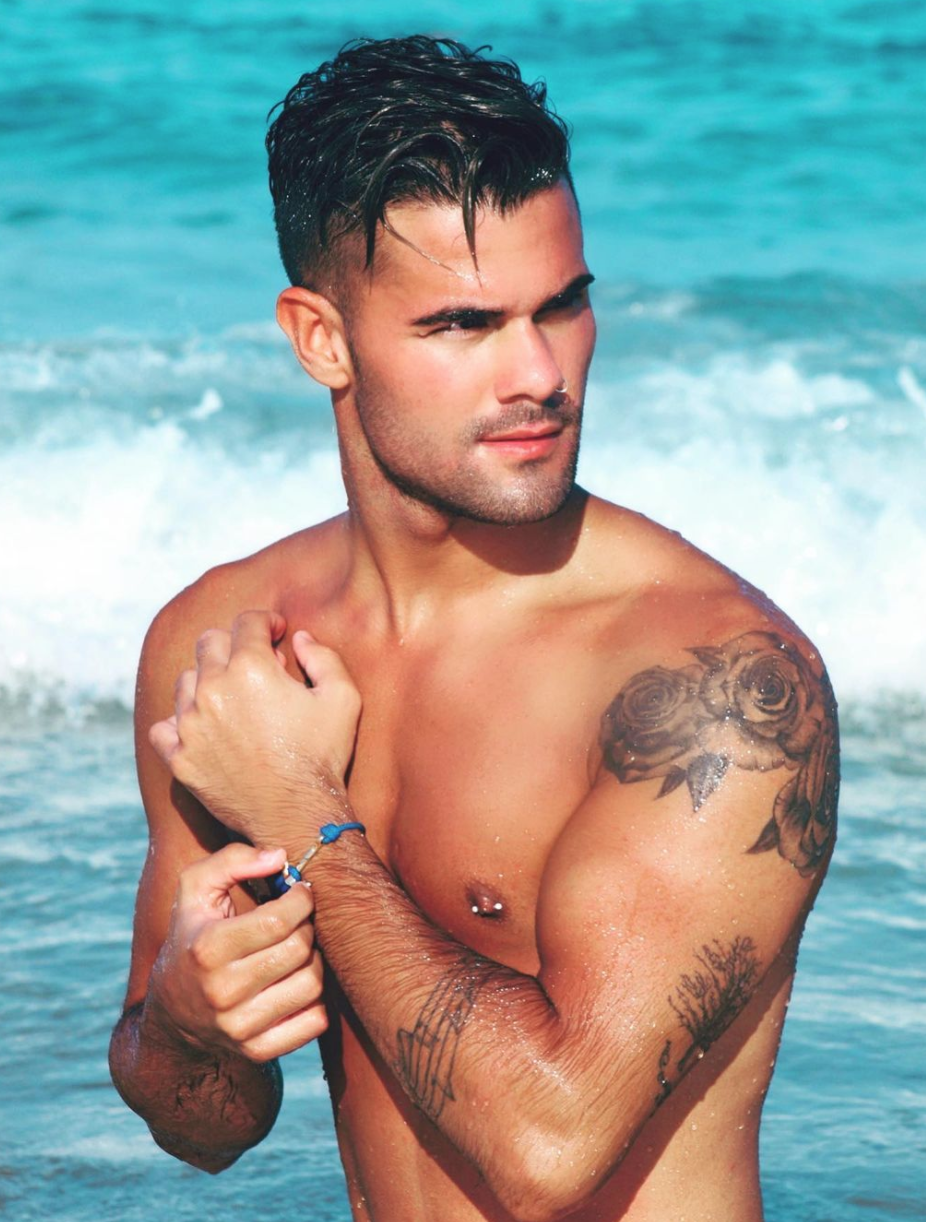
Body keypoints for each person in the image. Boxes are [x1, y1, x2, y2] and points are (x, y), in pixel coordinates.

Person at [109, 35, 839, 1222]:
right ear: (321, 338)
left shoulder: (710, 684)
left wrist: (303, 815)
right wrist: (191, 1023)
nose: (539, 372)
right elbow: (208, 1128)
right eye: (464, 324)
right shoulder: (230, 645)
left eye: (564, 304)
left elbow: (551, 1148)